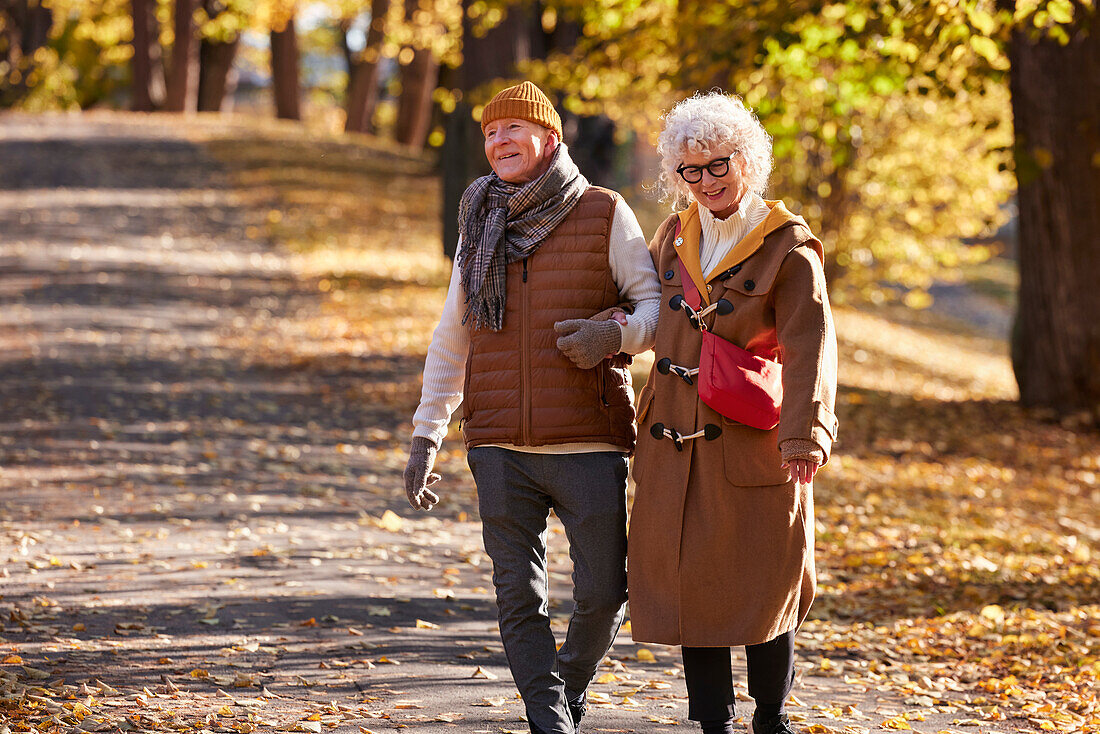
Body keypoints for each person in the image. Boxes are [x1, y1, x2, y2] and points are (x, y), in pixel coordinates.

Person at [402, 81, 661, 734]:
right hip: (497, 442)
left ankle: (566, 686)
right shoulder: (479, 217)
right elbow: (452, 332)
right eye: (490, 133)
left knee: (605, 594)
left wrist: (613, 336)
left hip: (587, 438)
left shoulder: (604, 211)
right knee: (518, 597)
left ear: (550, 139)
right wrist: (427, 434)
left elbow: (652, 310)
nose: (498, 142)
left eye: (512, 129)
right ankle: (550, 722)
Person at [627, 91, 839, 734]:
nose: (706, 181)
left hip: (757, 442)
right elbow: (645, 315)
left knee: (763, 578)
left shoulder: (788, 247)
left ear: (746, 161)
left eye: (718, 165)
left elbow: (812, 346)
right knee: (694, 584)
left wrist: (807, 435)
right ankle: (711, 721)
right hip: (673, 441)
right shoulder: (672, 236)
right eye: (689, 171)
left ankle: (771, 718)